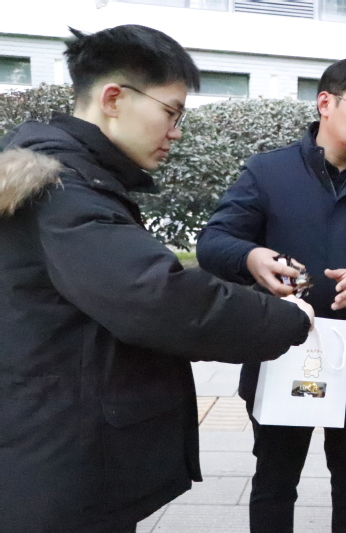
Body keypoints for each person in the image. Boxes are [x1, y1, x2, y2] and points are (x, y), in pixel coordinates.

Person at [0, 25, 314, 532]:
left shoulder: (74, 178)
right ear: (113, 99)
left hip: (59, 446)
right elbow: (157, 298)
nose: (176, 131)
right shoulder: (63, 191)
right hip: (60, 466)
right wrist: (286, 318)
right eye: (171, 112)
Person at [196, 56, 346, 533]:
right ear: (325, 103)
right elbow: (214, 242)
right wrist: (252, 258)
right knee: (275, 482)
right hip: (281, 351)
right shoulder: (268, 172)